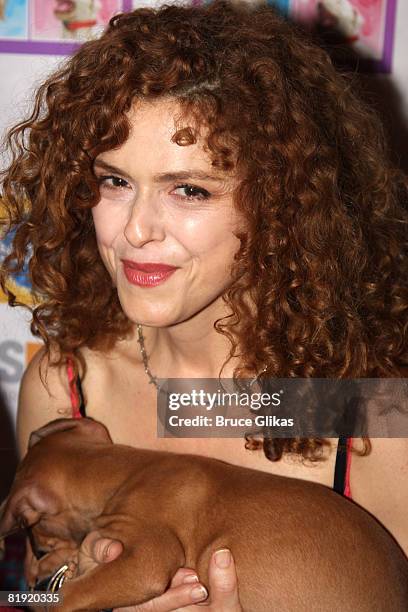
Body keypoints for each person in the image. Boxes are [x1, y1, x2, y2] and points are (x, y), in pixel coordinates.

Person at [0, 0, 407, 609]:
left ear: (280, 205)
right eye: (115, 181)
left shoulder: (366, 408)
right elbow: (41, 584)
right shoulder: (68, 385)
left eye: (189, 190)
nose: (137, 229)